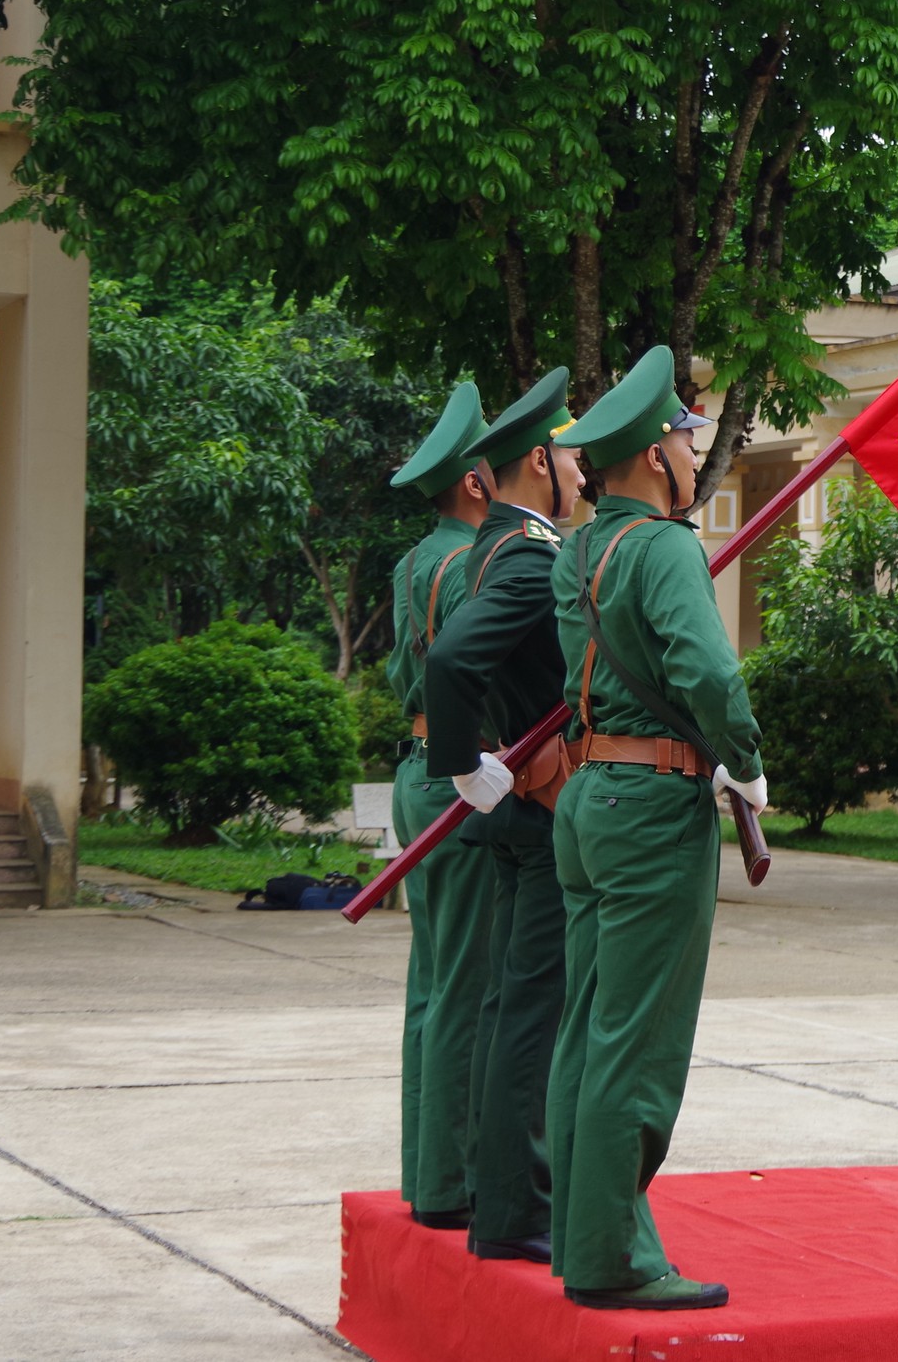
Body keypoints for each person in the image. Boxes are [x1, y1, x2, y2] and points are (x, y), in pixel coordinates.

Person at [545, 348, 765, 1311]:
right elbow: (711, 678)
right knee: (634, 1042)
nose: (691, 447)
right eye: (682, 435)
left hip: (590, 801)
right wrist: (746, 760)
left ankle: (578, 1238)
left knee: (586, 1032)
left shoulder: (584, 550)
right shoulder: (667, 548)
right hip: (650, 815)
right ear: (649, 457)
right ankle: (613, 1258)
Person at [424, 368, 582, 1264]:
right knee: (531, 1010)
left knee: (505, 1005)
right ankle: (518, 1208)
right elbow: (451, 662)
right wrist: (462, 765)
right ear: (538, 462)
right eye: (568, 457)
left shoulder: (484, 550)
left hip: (518, 803)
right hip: (541, 806)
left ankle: (498, 1198)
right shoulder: (528, 557)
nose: (582, 472)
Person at [383, 381, 493, 1228]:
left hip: (417, 767)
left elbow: (401, 675)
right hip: (462, 775)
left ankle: (428, 1175)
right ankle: (453, 1185)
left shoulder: (416, 560)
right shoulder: (470, 564)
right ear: (476, 483)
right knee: (463, 985)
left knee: (433, 983)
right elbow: (468, 670)